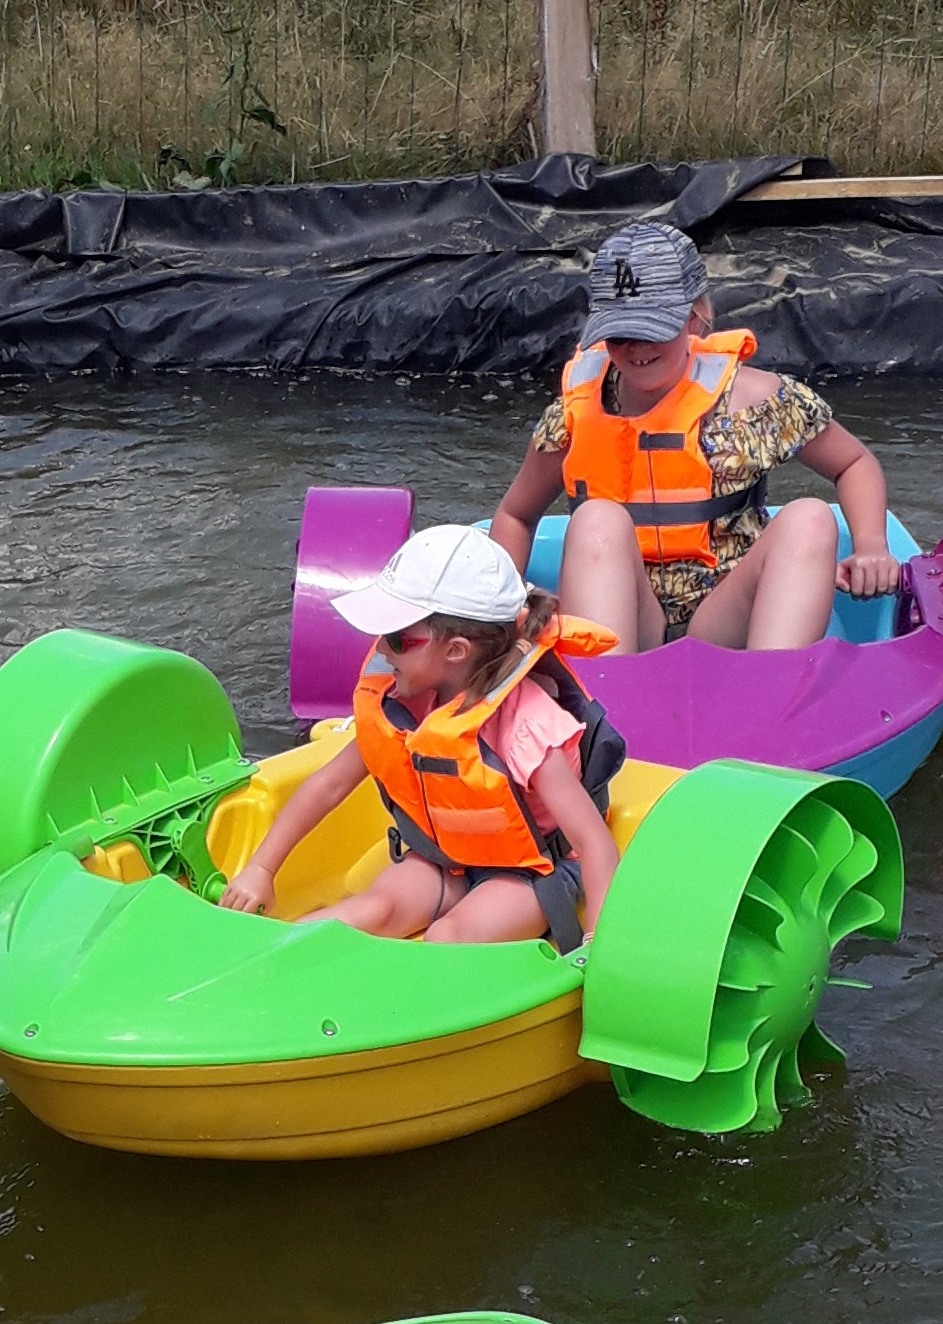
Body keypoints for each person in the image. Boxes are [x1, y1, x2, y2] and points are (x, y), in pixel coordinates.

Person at [490, 217, 900, 653]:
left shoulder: (757, 404)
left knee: (811, 519)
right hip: (628, 622)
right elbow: (516, 515)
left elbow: (854, 463)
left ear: (696, 318)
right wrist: (497, 614)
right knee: (595, 520)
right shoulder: (572, 415)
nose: (637, 348)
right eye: (621, 334)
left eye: (654, 330)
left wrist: (871, 545)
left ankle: (770, 684)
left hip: (728, 620)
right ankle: (604, 688)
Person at [218, 521, 624, 950]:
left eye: (397, 638)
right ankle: (262, 957)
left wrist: (598, 941)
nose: (381, 649)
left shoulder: (527, 728)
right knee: (373, 909)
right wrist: (261, 869)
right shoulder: (409, 705)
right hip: (448, 858)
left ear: (456, 650)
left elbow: (592, 842)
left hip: (531, 871)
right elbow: (327, 786)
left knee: (447, 937)